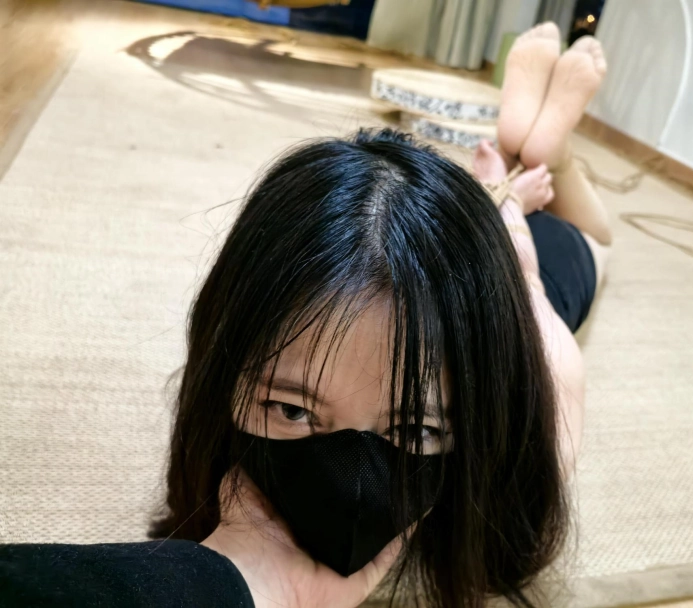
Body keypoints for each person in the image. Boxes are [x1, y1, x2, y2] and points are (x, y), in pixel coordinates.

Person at [0, 24, 611, 608]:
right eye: (292, 410)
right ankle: (515, 165)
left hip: (533, 275)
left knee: (592, 245)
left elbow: (559, 351)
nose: (352, 484)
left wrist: (517, 249)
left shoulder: (517, 451)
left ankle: (549, 158)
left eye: (415, 429)